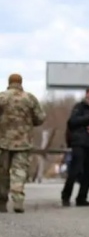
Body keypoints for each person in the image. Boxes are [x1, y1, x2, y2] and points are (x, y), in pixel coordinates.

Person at [0, 73, 46, 213]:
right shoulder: (29, 98)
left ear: (9, 82)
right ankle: (18, 201)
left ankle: (2, 202)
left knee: (2, 172)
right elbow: (40, 118)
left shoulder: (2, 97)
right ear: (21, 82)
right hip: (23, 142)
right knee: (19, 172)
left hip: (2, 141)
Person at [61, 85, 89, 207]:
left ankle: (82, 198)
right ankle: (66, 196)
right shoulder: (79, 107)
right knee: (75, 170)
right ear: (87, 94)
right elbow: (72, 122)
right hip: (79, 143)